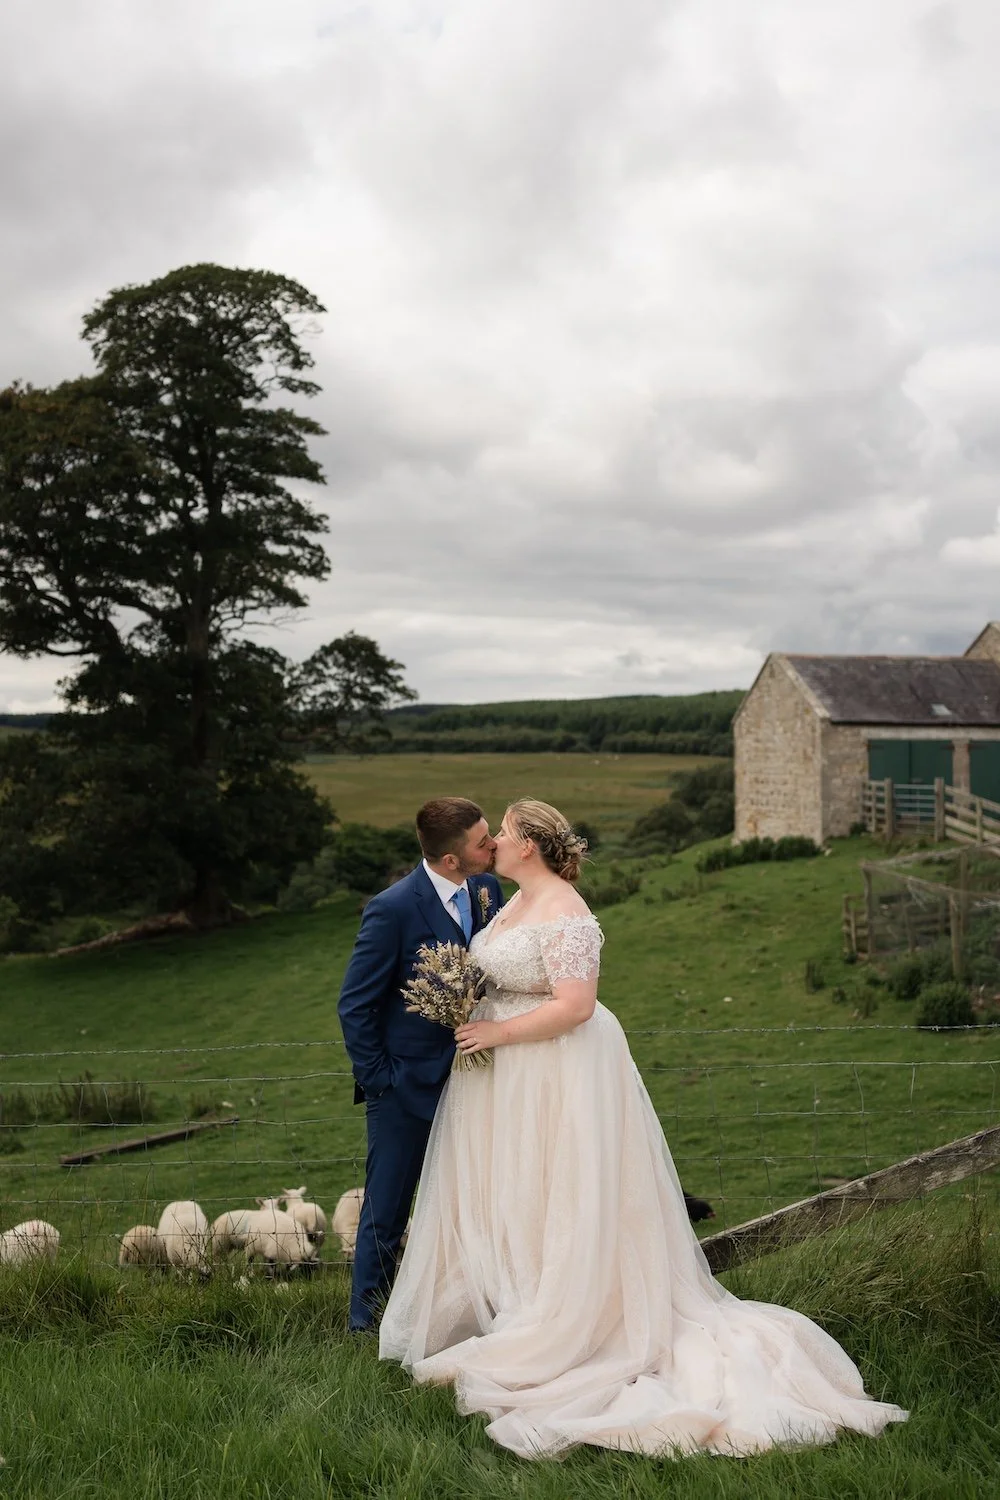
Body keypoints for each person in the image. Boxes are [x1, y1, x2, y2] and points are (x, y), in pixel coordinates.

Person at [379, 798, 908, 1460]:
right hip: (509, 1076)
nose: (495, 844)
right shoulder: (506, 901)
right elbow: (503, 975)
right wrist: (456, 999)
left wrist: (496, 1029)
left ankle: (572, 1320)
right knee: (521, 1194)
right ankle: (521, 1296)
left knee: (567, 1188)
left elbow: (575, 1006)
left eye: (506, 834)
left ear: (531, 848)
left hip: (557, 1068)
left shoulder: (568, 912)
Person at [338, 796, 505, 1333]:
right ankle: (369, 1324)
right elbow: (355, 1004)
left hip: (480, 1078)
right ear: (452, 859)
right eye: (484, 841)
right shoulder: (392, 908)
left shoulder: (488, 890)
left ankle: (468, 1310)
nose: (494, 844)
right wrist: (382, 1081)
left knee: (478, 1200)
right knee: (386, 1210)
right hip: (406, 1087)